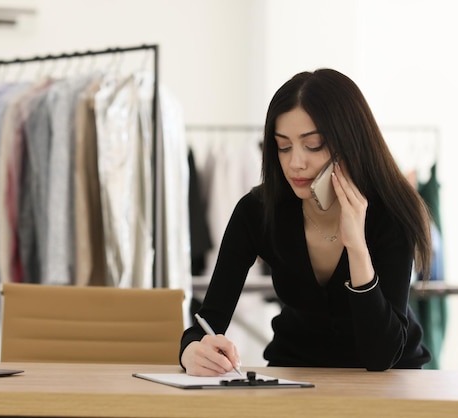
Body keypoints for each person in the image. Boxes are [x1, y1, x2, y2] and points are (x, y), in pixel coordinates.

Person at [180, 69, 432, 375]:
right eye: (283, 146)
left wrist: (357, 248)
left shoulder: (390, 213)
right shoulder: (257, 211)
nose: (295, 162)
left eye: (313, 145)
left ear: (350, 144)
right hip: (296, 373)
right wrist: (192, 351)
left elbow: (380, 357)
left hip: (391, 379)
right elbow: (206, 323)